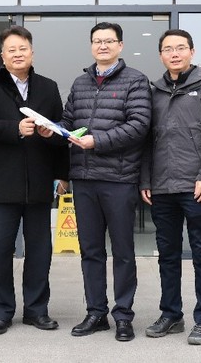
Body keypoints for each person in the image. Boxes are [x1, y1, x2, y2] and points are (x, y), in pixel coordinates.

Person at [59, 22, 151, 342]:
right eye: (97, 41)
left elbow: (139, 125)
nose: (102, 46)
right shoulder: (81, 82)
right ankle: (96, 312)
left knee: (123, 251)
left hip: (119, 179)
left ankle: (123, 315)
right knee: (91, 251)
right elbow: (69, 120)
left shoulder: (135, 80)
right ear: (91, 46)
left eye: (109, 41)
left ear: (120, 46)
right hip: (84, 179)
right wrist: (53, 129)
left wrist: (96, 141)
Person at [0, 25, 69, 335]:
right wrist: (14, 128)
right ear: (2, 56)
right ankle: (1, 312)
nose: (18, 54)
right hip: (2, 183)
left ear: (32, 53)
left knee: (40, 252)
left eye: (22, 49)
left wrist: (62, 173)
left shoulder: (48, 87)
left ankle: (37, 310)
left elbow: (60, 131)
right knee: (1, 252)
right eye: (11, 50)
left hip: (40, 182)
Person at [140, 29, 201, 345]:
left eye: (180, 48)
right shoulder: (153, 91)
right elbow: (147, 141)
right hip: (162, 188)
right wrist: (146, 179)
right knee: (167, 255)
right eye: (168, 49)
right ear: (161, 55)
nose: (175, 53)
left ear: (192, 51)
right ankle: (171, 315)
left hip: (196, 187)